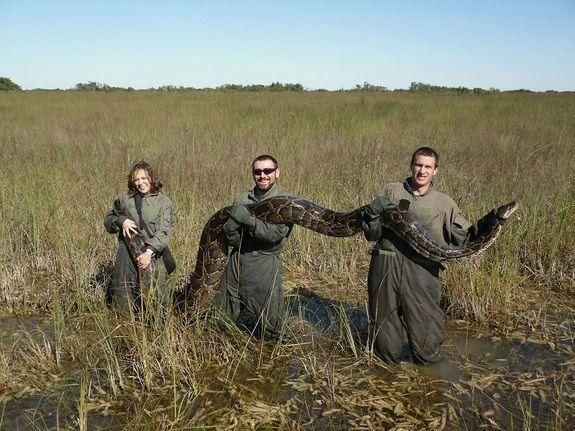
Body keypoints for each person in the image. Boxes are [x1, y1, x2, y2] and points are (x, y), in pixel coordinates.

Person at [362, 147, 477, 365]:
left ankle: (428, 381)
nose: (422, 171)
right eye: (418, 165)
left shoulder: (444, 204)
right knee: (384, 332)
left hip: (422, 271)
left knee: (426, 336)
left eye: (428, 167)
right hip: (385, 263)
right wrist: (371, 214)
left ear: (436, 171)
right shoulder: (391, 191)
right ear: (411, 166)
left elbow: (466, 239)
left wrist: (490, 224)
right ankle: (388, 377)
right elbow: (372, 233)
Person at [216, 154, 293, 340]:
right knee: (220, 318)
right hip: (236, 261)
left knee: (272, 329)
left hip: (264, 263)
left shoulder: (286, 202)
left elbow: (273, 235)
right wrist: (230, 231)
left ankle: (271, 362)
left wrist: (246, 219)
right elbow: (234, 241)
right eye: (258, 171)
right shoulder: (242, 199)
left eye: (268, 171)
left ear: (277, 173)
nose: (263, 175)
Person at [104, 161, 174, 315]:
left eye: (144, 178)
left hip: (153, 252)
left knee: (157, 296)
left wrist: (149, 252)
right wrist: (121, 221)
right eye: (136, 180)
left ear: (151, 177)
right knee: (123, 291)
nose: (141, 183)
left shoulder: (163, 202)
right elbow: (109, 219)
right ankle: (126, 326)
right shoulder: (125, 199)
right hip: (126, 251)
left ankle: (157, 330)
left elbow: (163, 232)